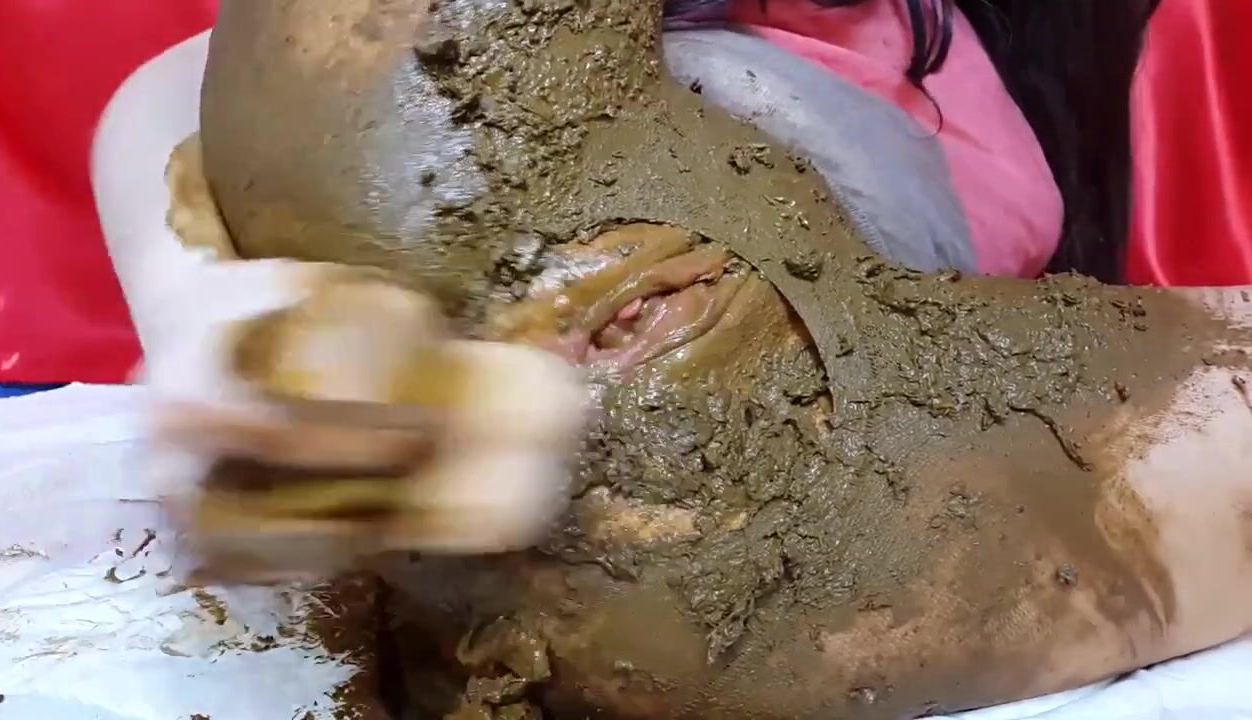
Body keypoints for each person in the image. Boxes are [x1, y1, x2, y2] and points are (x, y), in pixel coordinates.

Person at [93, 1, 1252, 718]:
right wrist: (203, 295)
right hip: (512, 367)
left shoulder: (998, 64)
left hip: (844, 467)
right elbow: (200, 86)